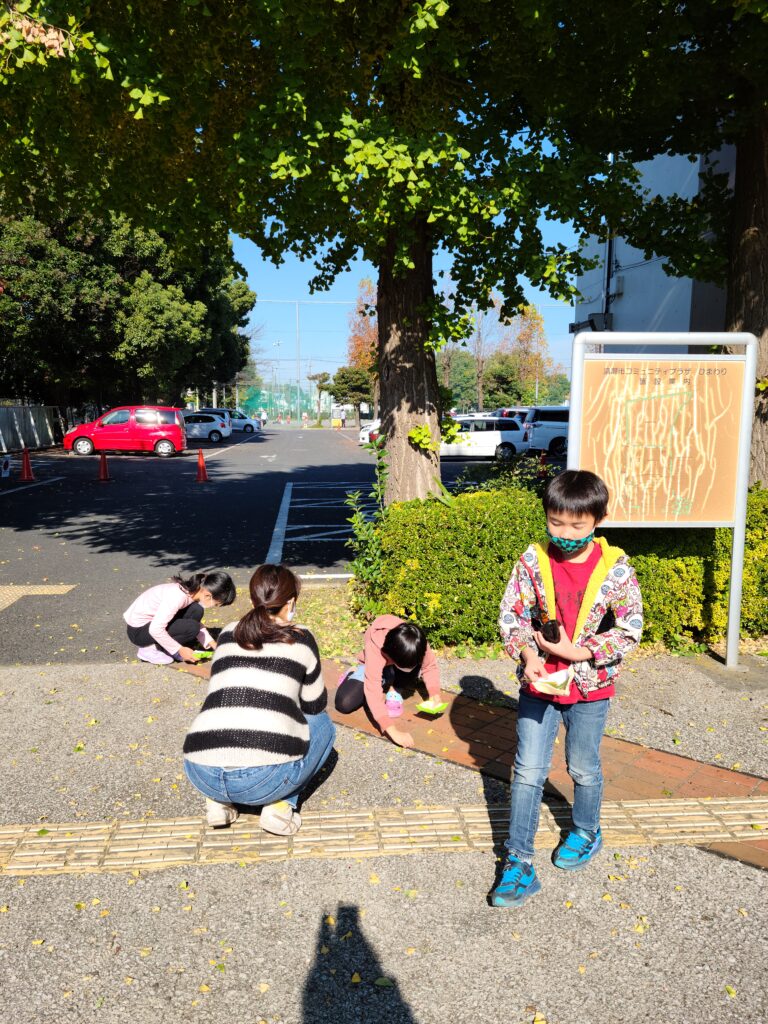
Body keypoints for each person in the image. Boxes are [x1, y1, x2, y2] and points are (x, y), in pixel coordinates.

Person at [491, 470, 643, 908]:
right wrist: (528, 654)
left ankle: (586, 830)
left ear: (599, 520)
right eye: (556, 522)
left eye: (578, 525)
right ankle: (518, 862)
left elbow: (630, 627)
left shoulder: (616, 568)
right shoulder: (532, 561)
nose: (566, 534)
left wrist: (581, 652)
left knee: (583, 768)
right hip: (539, 682)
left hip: (591, 686)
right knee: (527, 771)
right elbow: (512, 615)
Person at [183, 564, 336, 832]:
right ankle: (280, 808)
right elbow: (315, 705)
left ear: (253, 599)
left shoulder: (228, 632)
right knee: (323, 725)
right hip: (262, 781)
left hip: (200, 772)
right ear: (290, 602)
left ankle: (218, 803)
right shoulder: (301, 637)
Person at [335, 615, 444, 749]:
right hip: (376, 663)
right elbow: (373, 689)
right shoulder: (376, 646)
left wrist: (434, 694)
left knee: (404, 670)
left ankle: (394, 689)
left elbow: (430, 666)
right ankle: (354, 672)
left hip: (397, 661)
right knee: (344, 703)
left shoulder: (416, 641)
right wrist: (392, 731)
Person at [124, 570, 236, 665]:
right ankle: (148, 650)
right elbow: (155, 629)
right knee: (192, 627)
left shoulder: (191, 592)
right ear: (208, 595)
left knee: (196, 610)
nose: (214, 607)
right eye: (216, 604)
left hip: (150, 625)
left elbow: (196, 622)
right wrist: (179, 649)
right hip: (138, 632)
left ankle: (166, 647)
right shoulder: (177, 597)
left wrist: (213, 644)